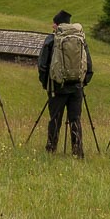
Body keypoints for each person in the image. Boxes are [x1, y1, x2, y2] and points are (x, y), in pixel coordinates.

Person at [37, 10, 94, 157]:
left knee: (55, 118)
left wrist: (47, 85)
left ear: (56, 25)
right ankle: (77, 151)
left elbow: (42, 65)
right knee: (75, 119)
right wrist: (82, 82)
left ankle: (51, 149)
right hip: (76, 87)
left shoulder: (51, 40)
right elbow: (88, 65)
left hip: (57, 88)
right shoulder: (80, 38)